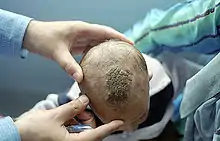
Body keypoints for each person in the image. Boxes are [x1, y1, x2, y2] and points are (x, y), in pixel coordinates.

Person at [0, 9, 133, 141]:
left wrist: (28, 32)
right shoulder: (63, 104)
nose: (131, 128)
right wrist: (19, 132)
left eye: (142, 115)